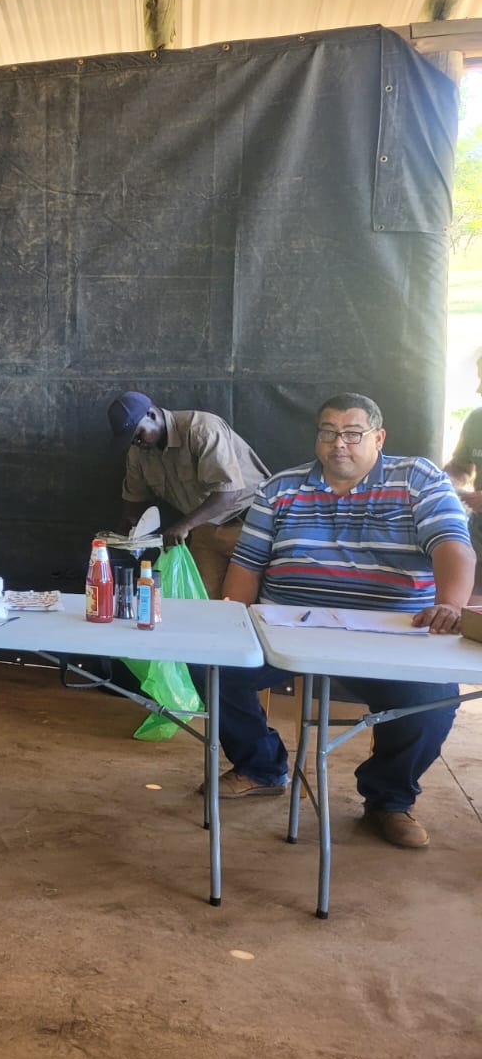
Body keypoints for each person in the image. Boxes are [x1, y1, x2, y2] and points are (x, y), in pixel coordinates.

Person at [215, 393, 474, 849]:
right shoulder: (280, 489)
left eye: (353, 433)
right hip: (287, 630)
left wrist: (450, 605)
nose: (339, 443)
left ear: (379, 437)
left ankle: (389, 800)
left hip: (394, 633)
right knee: (213, 666)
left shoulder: (416, 478)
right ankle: (261, 766)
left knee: (431, 700)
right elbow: (247, 565)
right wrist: (230, 624)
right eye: (329, 432)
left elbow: (452, 545)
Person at [107, 390, 269, 601]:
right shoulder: (138, 452)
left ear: (151, 415)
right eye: (131, 441)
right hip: (203, 529)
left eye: (138, 435)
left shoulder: (201, 430)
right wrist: (125, 535)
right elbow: (134, 498)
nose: (137, 443)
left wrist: (184, 525)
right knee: (202, 602)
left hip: (246, 525)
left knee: (241, 603)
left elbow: (229, 491)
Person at [441, 351, 482, 593]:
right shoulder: (477, 420)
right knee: (470, 607)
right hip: (478, 540)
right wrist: (447, 484)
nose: (478, 390)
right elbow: (460, 468)